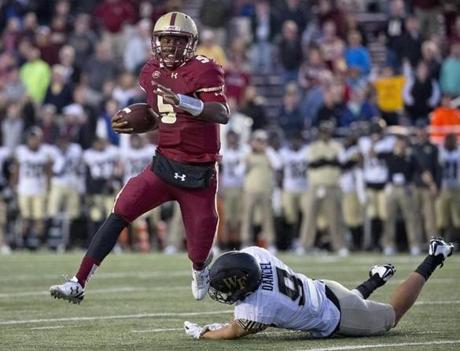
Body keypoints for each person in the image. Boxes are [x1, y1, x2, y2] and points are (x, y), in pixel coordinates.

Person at [50, 12, 229, 303]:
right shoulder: (150, 71)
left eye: (176, 40)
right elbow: (161, 117)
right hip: (163, 165)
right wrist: (141, 121)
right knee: (120, 210)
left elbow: (221, 113)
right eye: (164, 40)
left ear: (191, 43)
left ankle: (199, 268)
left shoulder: (205, 69)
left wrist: (183, 101)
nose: (169, 47)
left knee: (198, 249)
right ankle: (78, 282)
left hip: (199, 173)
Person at [183, 238, 454, 340]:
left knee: (391, 317)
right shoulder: (256, 254)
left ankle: (435, 255)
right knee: (352, 302)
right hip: (325, 289)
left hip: (339, 314)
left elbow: (234, 331)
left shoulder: (260, 306)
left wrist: (203, 334)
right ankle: (374, 280)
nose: (225, 295)